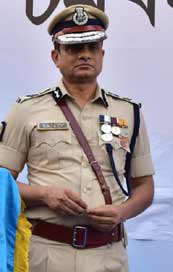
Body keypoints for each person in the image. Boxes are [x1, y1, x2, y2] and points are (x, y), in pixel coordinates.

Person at [0, 4, 155, 272]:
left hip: (109, 256)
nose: (84, 55)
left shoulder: (129, 112)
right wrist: (43, 194)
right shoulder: (26, 110)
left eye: (92, 47)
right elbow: (1, 182)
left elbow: (145, 187)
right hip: (46, 254)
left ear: (102, 54)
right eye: (73, 48)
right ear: (55, 56)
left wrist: (122, 212)